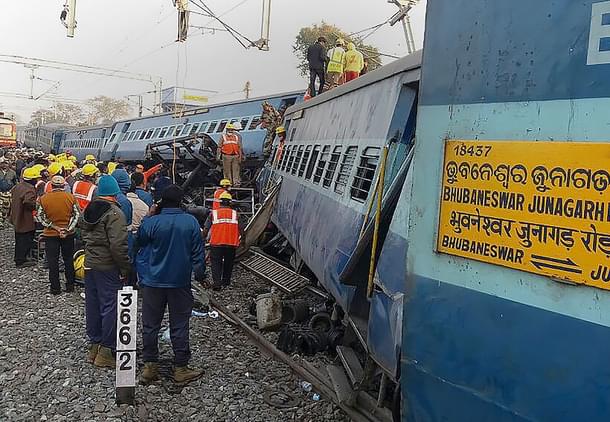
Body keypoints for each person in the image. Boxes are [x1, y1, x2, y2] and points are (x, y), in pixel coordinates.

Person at [136, 184, 205, 385]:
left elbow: (139, 240)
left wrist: (150, 215)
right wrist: (200, 275)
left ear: (161, 202)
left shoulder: (152, 223)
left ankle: (150, 366)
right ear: (181, 201)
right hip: (179, 282)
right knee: (179, 324)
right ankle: (181, 367)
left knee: (150, 325)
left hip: (152, 282)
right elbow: (198, 253)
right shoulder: (190, 222)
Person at [79, 175, 131, 368]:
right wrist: (125, 267)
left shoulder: (89, 209)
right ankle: (106, 351)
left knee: (92, 305)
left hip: (89, 264)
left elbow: (83, 234)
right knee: (110, 306)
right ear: (115, 192)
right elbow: (118, 245)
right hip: (107, 266)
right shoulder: (115, 213)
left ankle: (94, 346)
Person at [37, 175, 80, 295]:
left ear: (51, 185)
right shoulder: (71, 197)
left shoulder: (43, 198)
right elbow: (76, 215)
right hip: (68, 234)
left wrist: (53, 226)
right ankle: (70, 285)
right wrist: (67, 229)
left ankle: (55, 288)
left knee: (53, 261)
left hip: (50, 235)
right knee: (68, 260)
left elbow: (40, 216)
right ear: (63, 185)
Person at [206, 192, 240, 290]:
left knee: (216, 263)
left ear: (220, 202)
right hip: (231, 243)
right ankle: (226, 282)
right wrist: (243, 240)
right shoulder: (235, 214)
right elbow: (241, 228)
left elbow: (206, 229)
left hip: (216, 243)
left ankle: (217, 283)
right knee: (229, 263)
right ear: (230, 203)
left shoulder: (213, 213)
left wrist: (203, 239)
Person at [9, 167, 40, 268]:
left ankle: (20, 258)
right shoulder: (30, 189)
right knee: (25, 239)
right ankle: (21, 261)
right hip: (25, 219)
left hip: (16, 217)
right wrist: (36, 206)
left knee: (19, 239)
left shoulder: (18, 186)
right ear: (32, 179)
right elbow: (28, 202)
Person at [0, 157, 18, 227]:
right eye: (2, 163)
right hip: (0, 192)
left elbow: (15, 183)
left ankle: (3, 220)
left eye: (6, 163)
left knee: (6, 209)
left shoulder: (12, 173)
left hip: (8, 194)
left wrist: (12, 191)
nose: (4, 165)